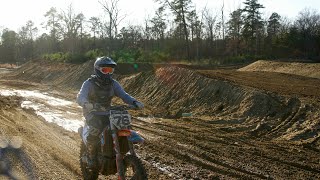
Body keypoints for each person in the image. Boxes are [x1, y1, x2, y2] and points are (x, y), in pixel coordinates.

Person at [76, 56, 144, 168]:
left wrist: (134, 102)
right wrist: (86, 103)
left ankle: (116, 151)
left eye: (110, 70)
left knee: (122, 126)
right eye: (105, 70)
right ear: (97, 70)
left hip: (108, 112)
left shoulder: (113, 83)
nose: (108, 73)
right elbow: (80, 96)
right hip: (92, 112)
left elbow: (124, 95)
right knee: (96, 129)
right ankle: (91, 158)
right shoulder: (89, 83)